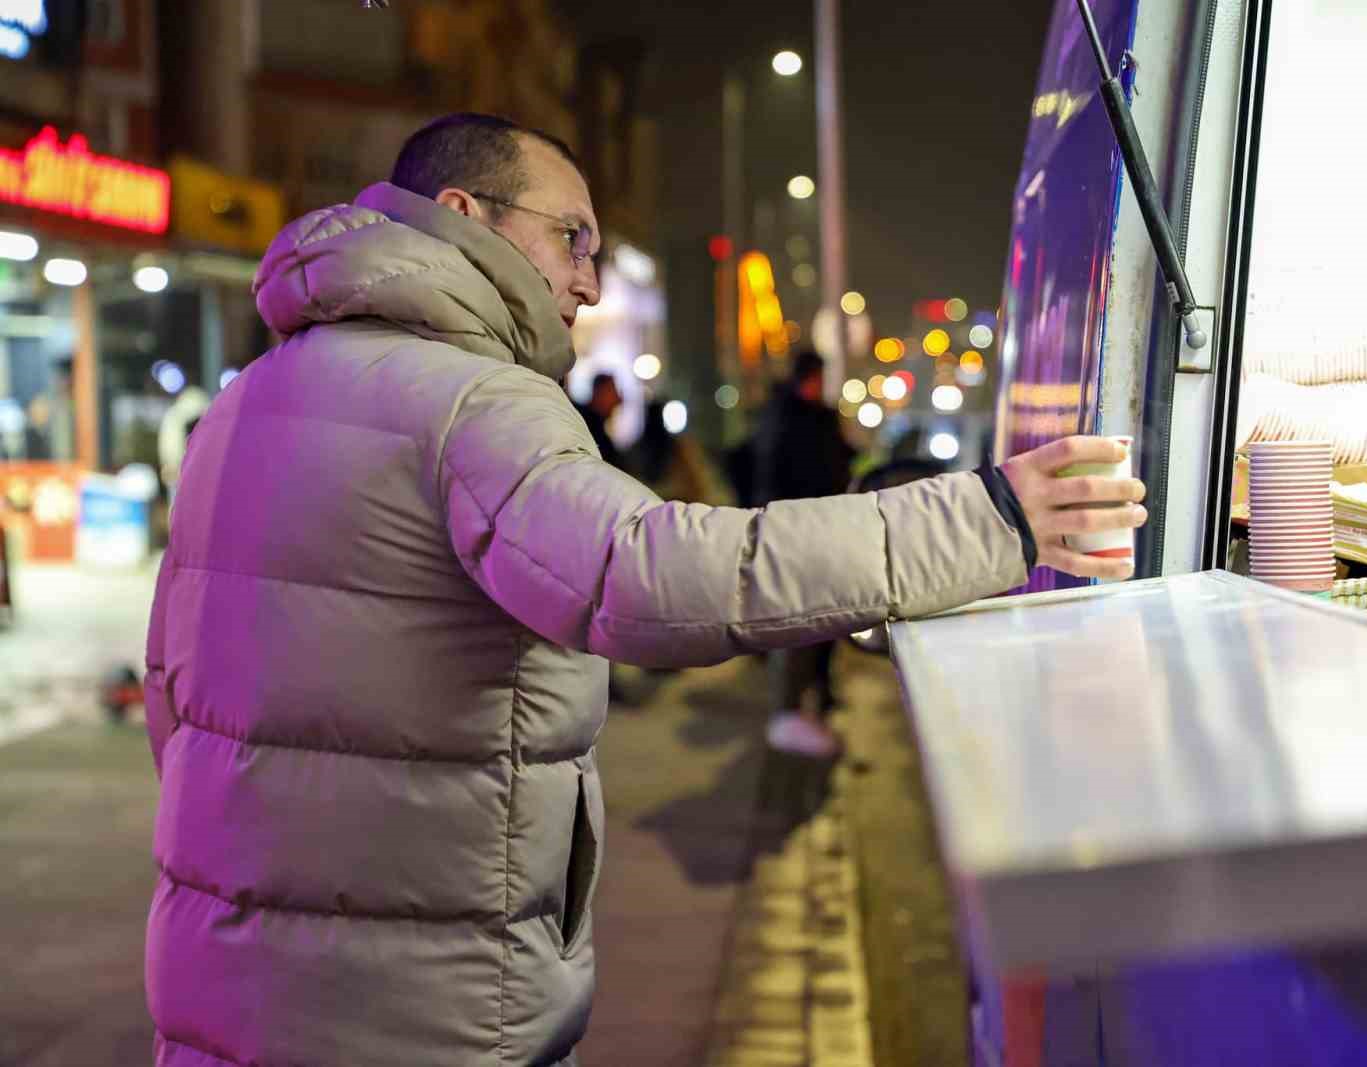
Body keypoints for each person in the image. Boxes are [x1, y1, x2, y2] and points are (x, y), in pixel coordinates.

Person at [141, 112, 1147, 1067]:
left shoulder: (249, 399)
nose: (586, 280)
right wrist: (988, 519)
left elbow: (171, 684)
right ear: (462, 215)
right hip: (410, 1000)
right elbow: (649, 571)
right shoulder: (470, 398)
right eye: (571, 238)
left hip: (229, 976)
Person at [752, 350, 858, 757]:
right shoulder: (796, 419)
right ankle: (792, 711)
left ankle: (811, 700)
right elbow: (798, 473)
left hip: (807, 530)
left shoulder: (798, 416)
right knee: (799, 626)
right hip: (798, 536)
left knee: (816, 623)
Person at [574, 371, 623, 467]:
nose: (618, 399)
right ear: (600, 392)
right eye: (612, 391)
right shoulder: (586, 426)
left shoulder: (596, 426)